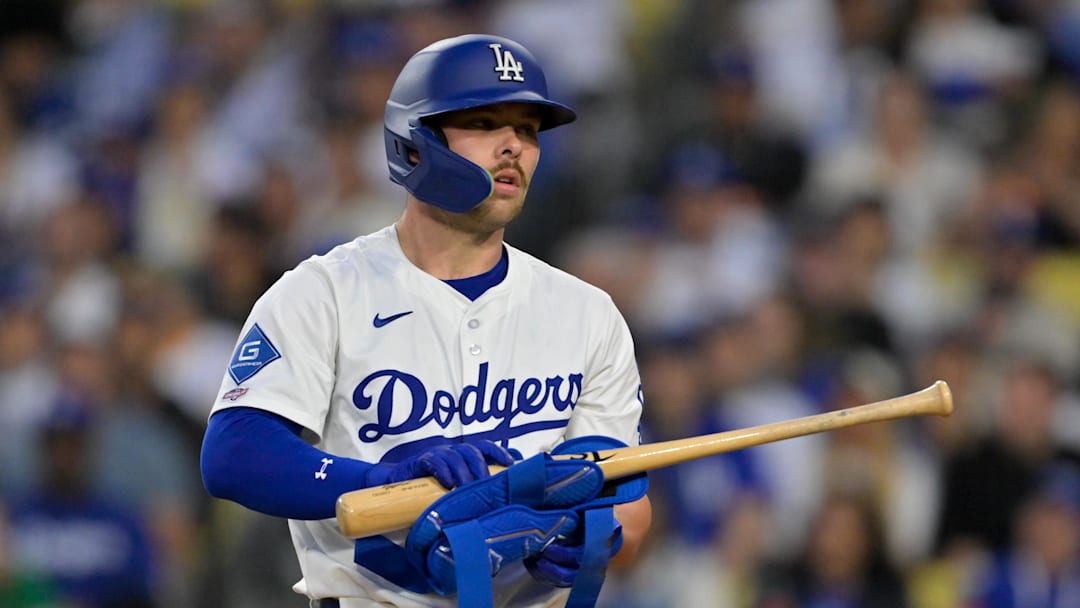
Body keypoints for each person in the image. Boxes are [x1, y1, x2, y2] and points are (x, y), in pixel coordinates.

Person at [200, 34, 652, 608]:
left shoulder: (587, 313)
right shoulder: (324, 292)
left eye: (529, 130)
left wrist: (592, 538)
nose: (513, 145)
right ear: (414, 144)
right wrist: (378, 481)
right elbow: (233, 455)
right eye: (486, 123)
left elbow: (628, 507)